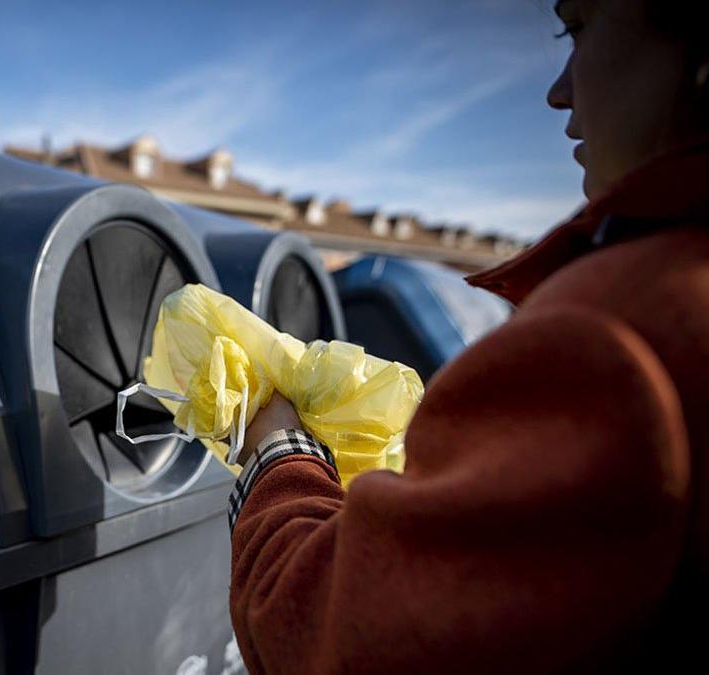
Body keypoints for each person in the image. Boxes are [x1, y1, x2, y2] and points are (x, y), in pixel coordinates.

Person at [227, 1, 709, 672]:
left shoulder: (611, 340)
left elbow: (333, 632)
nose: (557, 88)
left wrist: (277, 446)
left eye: (579, 26)